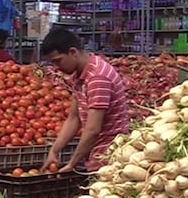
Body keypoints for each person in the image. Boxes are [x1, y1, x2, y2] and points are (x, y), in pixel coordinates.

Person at [41, 27, 132, 173]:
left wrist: (72, 164)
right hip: (96, 151)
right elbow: (74, 118)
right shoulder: (81, 74)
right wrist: (54, 150)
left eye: (58, 61)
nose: (57, 68)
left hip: (109, 154)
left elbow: (92, 130)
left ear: (73, 52)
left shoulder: (97, 77)